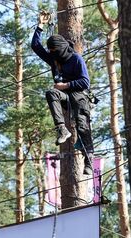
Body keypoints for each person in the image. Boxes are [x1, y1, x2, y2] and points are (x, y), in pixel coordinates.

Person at [31, 12, 94, 175]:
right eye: (52, 52)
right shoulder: (54, 59)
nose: (54, 55)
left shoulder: (76, 59)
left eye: (55, 51)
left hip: (80, 96)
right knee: (51, 93)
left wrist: (65, 85)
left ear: (62, 48)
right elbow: (36, 46)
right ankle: (61, 129)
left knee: (82, 126)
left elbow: (85, 82)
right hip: (65, 97)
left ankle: (89, 161)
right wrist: (40, 25)